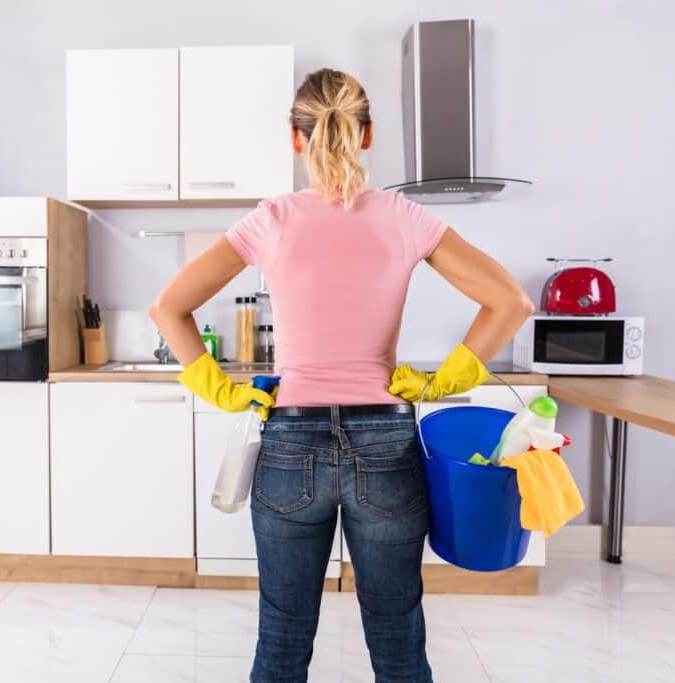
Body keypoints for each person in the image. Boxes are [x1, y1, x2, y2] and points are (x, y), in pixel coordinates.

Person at [150, 68, 533, 682]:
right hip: (386, 444)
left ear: (296, 139)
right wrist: (443, 380)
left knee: (282, 632)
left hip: (288, 445)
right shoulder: (405, 217)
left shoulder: (270, 219)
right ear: (368, 133)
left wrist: (214, 385)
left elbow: (167, 307)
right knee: (396, 631)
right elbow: (510, 301)